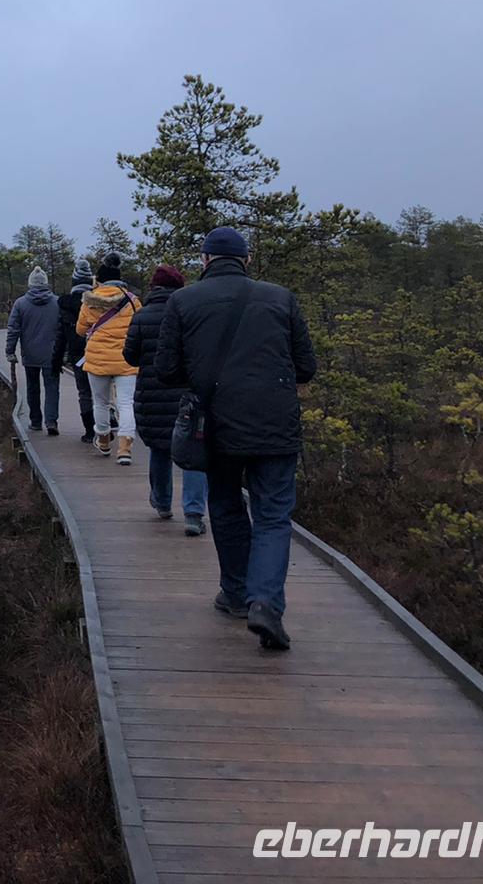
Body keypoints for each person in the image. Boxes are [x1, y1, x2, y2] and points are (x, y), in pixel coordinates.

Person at [154, 227, 317, 652]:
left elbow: (166, 370)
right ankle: (265, 602)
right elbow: (306, 367)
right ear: (245, 260)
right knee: (273, 516)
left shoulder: (183, 300)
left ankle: (235, 593)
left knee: (225, 507)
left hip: (217, 424)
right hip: (275, 424)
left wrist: (207, 379)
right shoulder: (281, 297)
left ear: (205, 260)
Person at [124, 264, 208, 535]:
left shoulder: (142, 316)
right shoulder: (192, 314)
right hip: (188, 395)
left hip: (152, 393)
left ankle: (162, 502)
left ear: (153, 288)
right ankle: (194, 513)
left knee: (160, 449)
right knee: (194, 453)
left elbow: (130, 356)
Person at [76, 251, 140, 463]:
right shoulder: (132, 301)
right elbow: (139, 327)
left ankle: (103, 440)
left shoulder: (89, 301)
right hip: (126, 359)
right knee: (126, 404)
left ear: (100, 280)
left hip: (97, 360)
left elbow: (80, 329)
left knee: (100, 402)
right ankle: (125, 449)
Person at [5, 266, 62, 434]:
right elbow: (62, 329)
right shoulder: (57, 302)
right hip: (52, 354)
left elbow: (13, 329)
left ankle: (35, 421)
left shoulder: (20, 303)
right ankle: (51, 422)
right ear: (46, 283)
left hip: (30, 354)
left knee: (32, 387)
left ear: (30, 283)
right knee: (52, 388)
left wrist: (10, 351)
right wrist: (63, 352)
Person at [51, 259, 97, 442]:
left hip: (78, 354)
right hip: (100, 352)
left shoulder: (65, 305)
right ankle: (105, 424)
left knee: (84, 392)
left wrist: (56, 360)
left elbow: (60, 336)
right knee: (102, 393)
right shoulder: (99, 303)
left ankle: (89, 432)